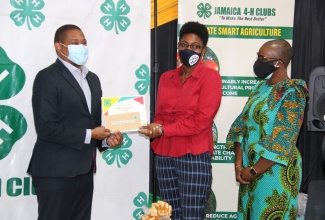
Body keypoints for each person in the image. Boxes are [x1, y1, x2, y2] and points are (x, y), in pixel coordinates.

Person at [27, 24, 123, 220]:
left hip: (84, 171)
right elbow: (46, 127)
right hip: (55, 172)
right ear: (59, 47)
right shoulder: (47, 77)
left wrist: (106, 139)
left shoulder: (93, 79)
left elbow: (94, 123)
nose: (82, 47)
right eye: (75, 43)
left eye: (84, 43)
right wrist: (90, 134)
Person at [139, 21, 222, 220]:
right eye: (184, 45)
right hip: (165, 153)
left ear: (204, 49)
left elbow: (201, 121)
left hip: (194, 154)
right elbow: (161, 115)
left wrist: (164, 130)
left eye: (195, 46)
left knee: (192, 214)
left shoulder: (210, 78)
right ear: (178, 46)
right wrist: (155, 127)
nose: (188, 50)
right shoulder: (167, 78)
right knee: (170, 214)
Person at [226, 39, 309, 220]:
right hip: (249, 169)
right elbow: (242, 125)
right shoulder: (259, 88)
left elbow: (283, 140)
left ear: (278, 62)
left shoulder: (293, 92)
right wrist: (239, 165)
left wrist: (255, 170)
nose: (258, 62)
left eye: (262, 58)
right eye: (258, 56)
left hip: (275, 172)